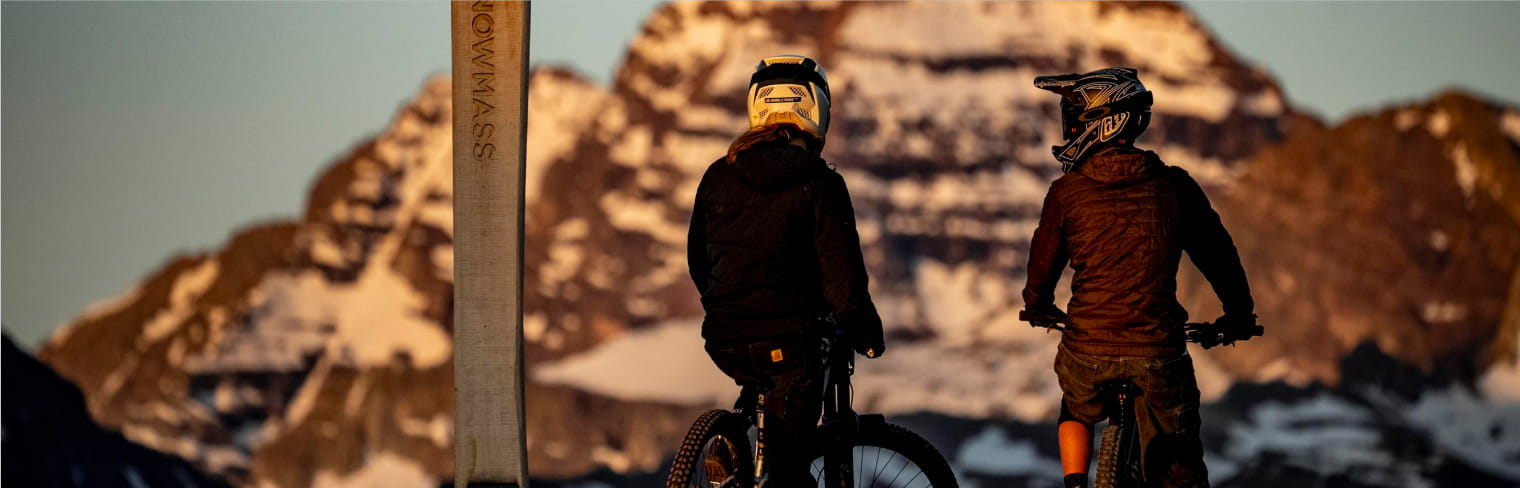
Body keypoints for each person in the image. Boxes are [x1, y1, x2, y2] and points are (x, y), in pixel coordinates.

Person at [1022, 67, 1258, 488]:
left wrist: (1038, 306)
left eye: (1074, 118)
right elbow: (1219, 258)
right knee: (1179, 465)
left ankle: (1076, 483)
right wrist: (1238, 316)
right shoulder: (1175, 186)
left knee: (1075, 405)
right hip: (1158, 352)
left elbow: (1042, 265)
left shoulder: (1067, 191)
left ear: (1101, 122)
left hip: (1087, 349)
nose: (1069, 126)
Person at [687, 54, 885, 486]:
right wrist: (866, 333)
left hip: (723, 339)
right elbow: (842, 279)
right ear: (817, 109)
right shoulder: (820, 182)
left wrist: (730, 303)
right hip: (788, 345)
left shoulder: (719, 174)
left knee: (762, 387)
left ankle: (736, 446)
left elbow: (698, 261)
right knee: (790, 469)